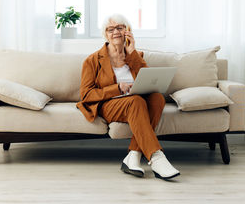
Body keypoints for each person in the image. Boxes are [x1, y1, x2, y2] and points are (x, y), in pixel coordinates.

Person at [76, 14, 180, 180]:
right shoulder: (92, 60)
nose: (116, 32)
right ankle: (156, 158)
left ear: (127, 31)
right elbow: (86, 94)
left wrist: (132, 54)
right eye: (111, 29)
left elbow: (149, 80)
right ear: (105, 34)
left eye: (120, 27)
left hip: (135, 101)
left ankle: (133, 155)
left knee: (157, 98)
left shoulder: (135, 55)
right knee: (136, 101)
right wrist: (117, 88)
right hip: (108, 105)